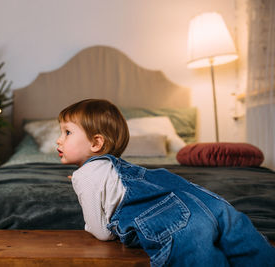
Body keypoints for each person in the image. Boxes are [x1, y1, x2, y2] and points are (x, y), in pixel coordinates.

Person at [56, 98, 275, 267]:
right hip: (209, 203)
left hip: (174, 219)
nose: (59, 139)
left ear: (96, 142)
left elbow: (102, 232)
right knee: (253, 252)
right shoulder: (118, 168)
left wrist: (82, 191)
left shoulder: (85, 175)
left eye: (67, 132)